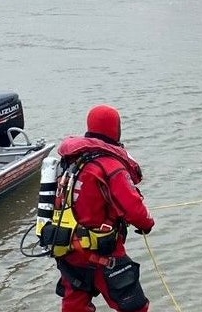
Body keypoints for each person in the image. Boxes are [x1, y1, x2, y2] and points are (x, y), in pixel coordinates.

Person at [46, 104, 155, 312]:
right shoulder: (110, 166)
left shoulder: (72, 161)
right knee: (134, 306)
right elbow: (135, 211)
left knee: (75, 304)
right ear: (116, 129)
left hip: (67, 249)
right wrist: (147, 224)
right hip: (101, 253)